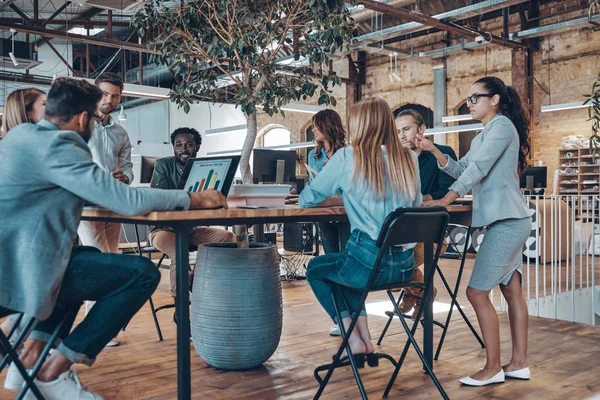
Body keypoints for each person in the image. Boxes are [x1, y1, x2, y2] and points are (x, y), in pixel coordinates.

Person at [0, 77, 228, 400]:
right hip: (21, 276)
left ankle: (30, 361)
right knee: (140, 274)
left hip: (14, 267)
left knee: (83, 269)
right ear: (83, 118)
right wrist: (196, 199)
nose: (95, 123)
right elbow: (129, 202)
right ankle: (53, 373)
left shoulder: (18, 136)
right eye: (94, 117)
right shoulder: (61, 146)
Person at [418, 76, 532, 386]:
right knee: (511, 291)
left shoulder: (502, 127)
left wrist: (445, 199)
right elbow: (462, 168)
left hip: (507, 221)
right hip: (507, 220)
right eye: (467, 99)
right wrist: (433, 151)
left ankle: (493, 367)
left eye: (474, 98)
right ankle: (518, 363)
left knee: (476, 292)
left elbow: (477, 171)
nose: (469, 103)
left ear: (494, 99)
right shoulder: (485, 134)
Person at [299, 97, 422, 360]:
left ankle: (352, 339)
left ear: (359, 125)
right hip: (403, 266)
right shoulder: (409, 158)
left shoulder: (347, 157)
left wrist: (340, 186)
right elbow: (416, 204)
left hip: (367, 264)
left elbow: (307, 199)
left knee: (317, 270)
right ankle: (366, 342)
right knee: (347, 273)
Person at [77, 72, 134, 347]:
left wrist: (126, 177)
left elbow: (129, 167)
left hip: (114, 204)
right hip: (86, 206)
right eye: (105, 94)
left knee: (111, 259)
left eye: (115, 96)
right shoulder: (80, 124)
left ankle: (102, 325)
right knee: (101, 261)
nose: (109, 100)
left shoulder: (121, 132)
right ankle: (96, 327)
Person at [150, 127, 236, 305]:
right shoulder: (163, 165)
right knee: (180, 253)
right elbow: (160, 197)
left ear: (196, 147)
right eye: (178, 144)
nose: (184, 149)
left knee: (228, 237)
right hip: (163, 229)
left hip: (191, 228)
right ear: (173, 147)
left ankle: (194, 280)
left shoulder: (202, 168)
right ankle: (180, 310)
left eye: (189, 145)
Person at [394, 109, 457, 317]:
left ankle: (416, 290)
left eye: (407, 129)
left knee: (393, 263)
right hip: (402, 230)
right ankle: (421, 291)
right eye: (398, 131)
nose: (402, 135)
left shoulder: (441, 152)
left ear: (421, 129)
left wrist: (423, 198)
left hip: (431, 233)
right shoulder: (395, 159)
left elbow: (449, 190)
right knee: (381, 257)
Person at [0, 88, 46, 339]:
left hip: (17, 244)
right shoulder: (30, 149)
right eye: (45, 104)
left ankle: (21, 352)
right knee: (60, 275)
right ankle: (15, 340)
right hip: (18, 249)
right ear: (28, 112)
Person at [307, 109, 352, 337]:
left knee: (345, 264)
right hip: (324, 213)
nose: (313, 130)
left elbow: (352, 187)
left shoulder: (348, 153)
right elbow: (315, 187)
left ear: (327, 126)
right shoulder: (313, 156)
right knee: (330, 262)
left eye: (316, 126)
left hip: (345, 214)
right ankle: (339, 316)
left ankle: (352, 315)